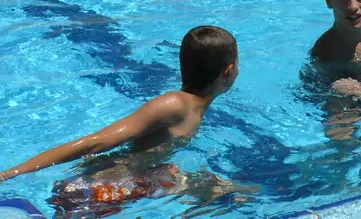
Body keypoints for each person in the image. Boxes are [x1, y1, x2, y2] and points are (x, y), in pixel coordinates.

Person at [0, 27, 239, 185]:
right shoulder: (174, 104)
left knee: (220, 189)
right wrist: (9, 174)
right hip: (101, 188)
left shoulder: (193, 107)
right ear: (228, 72)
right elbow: (95, 143)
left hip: (125, 185)